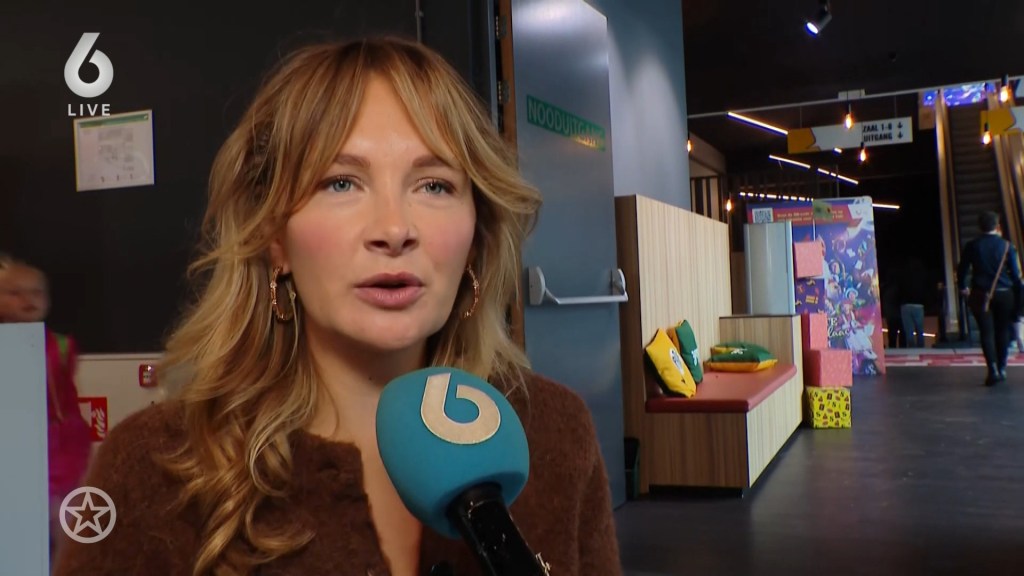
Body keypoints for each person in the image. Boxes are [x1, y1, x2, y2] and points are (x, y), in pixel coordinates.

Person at [54, 37, 621, 575]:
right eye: (341, 183)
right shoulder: (152, 467)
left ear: (477, 237)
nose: (394, 229)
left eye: (434, 185)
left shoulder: (554, 434)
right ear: (274, 237)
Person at [0, 261, 93, 562]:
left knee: (64, 528)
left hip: (62, 453)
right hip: (15, 456)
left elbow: (68, 402)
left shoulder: (63, 345)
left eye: (36, 293)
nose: (28, 300)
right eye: (15, 293)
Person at [957, 211, 1023, 386]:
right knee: (1003, 331)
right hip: (1005, 293)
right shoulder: (1007, 246)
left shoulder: (972, 246)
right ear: (998, 225)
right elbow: (1016, 276)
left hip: (981, 294)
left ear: (979, 227)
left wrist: (963, 287)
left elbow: (962, 269)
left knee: (986, 332)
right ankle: (1002, 367)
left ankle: (992, 369)